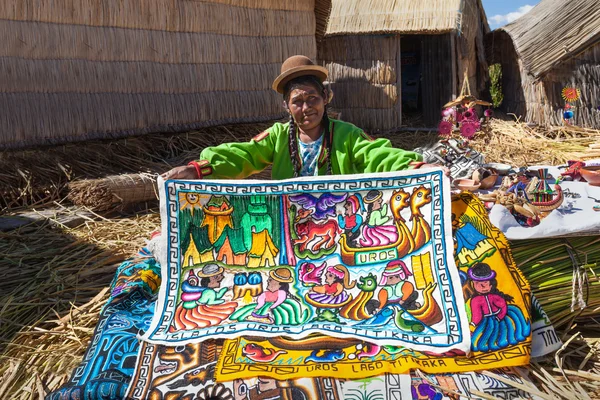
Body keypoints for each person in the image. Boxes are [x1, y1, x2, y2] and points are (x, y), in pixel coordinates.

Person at [161, 55, 442, 181]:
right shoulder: (278, 137)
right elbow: (244, 156)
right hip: (290, 219)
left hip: (339, 215)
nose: (306, 108)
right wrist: (199, 169)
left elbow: (377, 155)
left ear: (326, 98)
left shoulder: (346, 135)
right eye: (297, 101)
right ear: (286, 106)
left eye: (313, 99)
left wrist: (414, 167)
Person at [467, 262, 530, 352]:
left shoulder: (495, 297)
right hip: (486, 320)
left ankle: (514, 336)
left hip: (498, 317)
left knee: (508, 322)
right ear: (473, 284)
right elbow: (477, 314)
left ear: (491, 284)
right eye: (478, 283)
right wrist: (473, 324)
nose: (482, 286)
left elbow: (503, 306)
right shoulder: (475, 300)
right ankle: (480, 345)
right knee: (485, 332)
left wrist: (499, 317)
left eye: (485, 282)